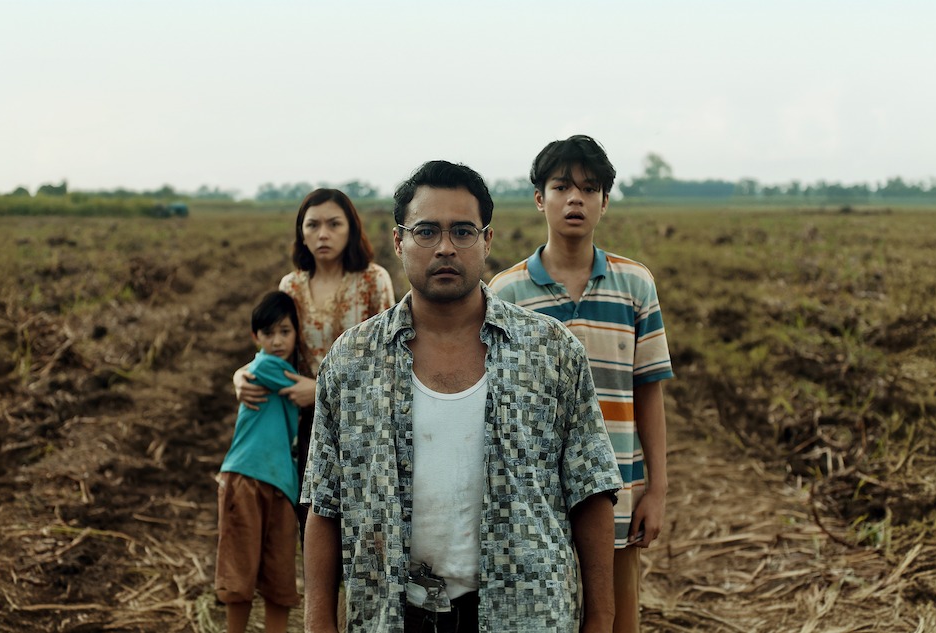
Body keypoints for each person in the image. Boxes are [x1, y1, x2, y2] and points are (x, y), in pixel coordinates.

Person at [301, 160, 623, 632]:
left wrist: (600, 620)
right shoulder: (351, 361)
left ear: (487, 241)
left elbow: (590, 494)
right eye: (426, 231)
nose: (446, 247)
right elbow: (325, 505)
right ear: (399, 241)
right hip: (391, 615)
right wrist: (317, 622)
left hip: (526, 616)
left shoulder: (551, 351)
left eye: (463, 231)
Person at [488, 134, 675, 633]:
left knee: (615, 620)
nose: (576, 199)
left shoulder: (635, 284)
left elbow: (648, 390)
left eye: (589, 189)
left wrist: (656, 490)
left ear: (604, 202)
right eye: (561, 187)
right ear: (539, 198)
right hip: (536, 500)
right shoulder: (505, 293)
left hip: (618, 493)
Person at [234, 188, 395, 528]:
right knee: (314, 519)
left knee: (363, 522)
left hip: (362, 420)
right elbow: (276, 346)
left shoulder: (372, 280)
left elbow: (387, 359)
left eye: (334, 224)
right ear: (301, 234)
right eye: (313, 225)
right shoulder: (291, 286)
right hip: (308, 424)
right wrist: (243, 374)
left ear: (351, 229)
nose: (323, 234)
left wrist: (319, 388)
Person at [216, 291, 303, 633]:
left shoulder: (279, 368)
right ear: (256, 338)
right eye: (269, 334)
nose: (277, 341)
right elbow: (317, 388)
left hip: (280, 483)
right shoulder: (268, 366)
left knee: (279, 577)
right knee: (240, 573)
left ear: (298, 332)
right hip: (246, 478)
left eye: (285, 331)